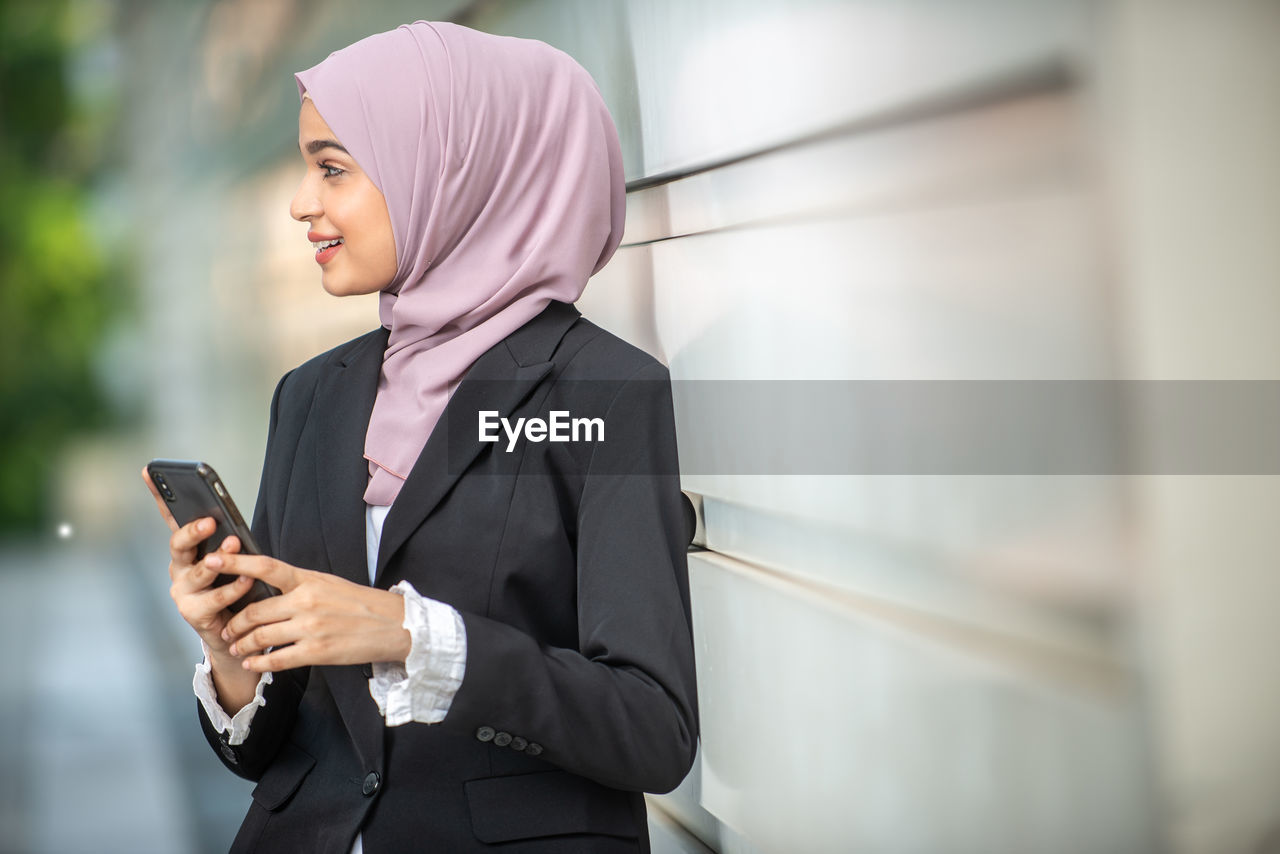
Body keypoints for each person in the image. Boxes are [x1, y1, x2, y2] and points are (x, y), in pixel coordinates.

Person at [141, 20, 698, 854]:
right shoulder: (312, 395)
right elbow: (272, 754)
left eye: (332, 168)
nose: (301, 202)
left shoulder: (601, 391)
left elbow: (653, 730)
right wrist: (232, 652)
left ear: (450, 168)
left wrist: (411, 636)